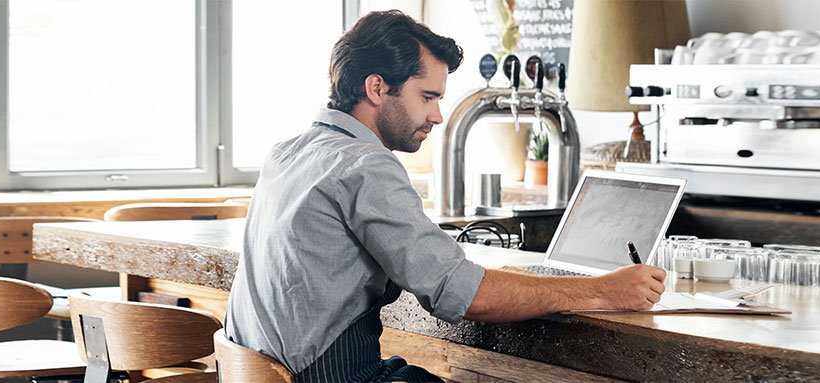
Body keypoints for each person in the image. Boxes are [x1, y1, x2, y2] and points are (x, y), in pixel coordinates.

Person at [223, 10, 666, 382]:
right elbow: (469, 297)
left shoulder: (288, 152)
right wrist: (603, 289)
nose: (437, 115)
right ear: (377, 88)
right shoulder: (364, 165)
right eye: (428, 96)